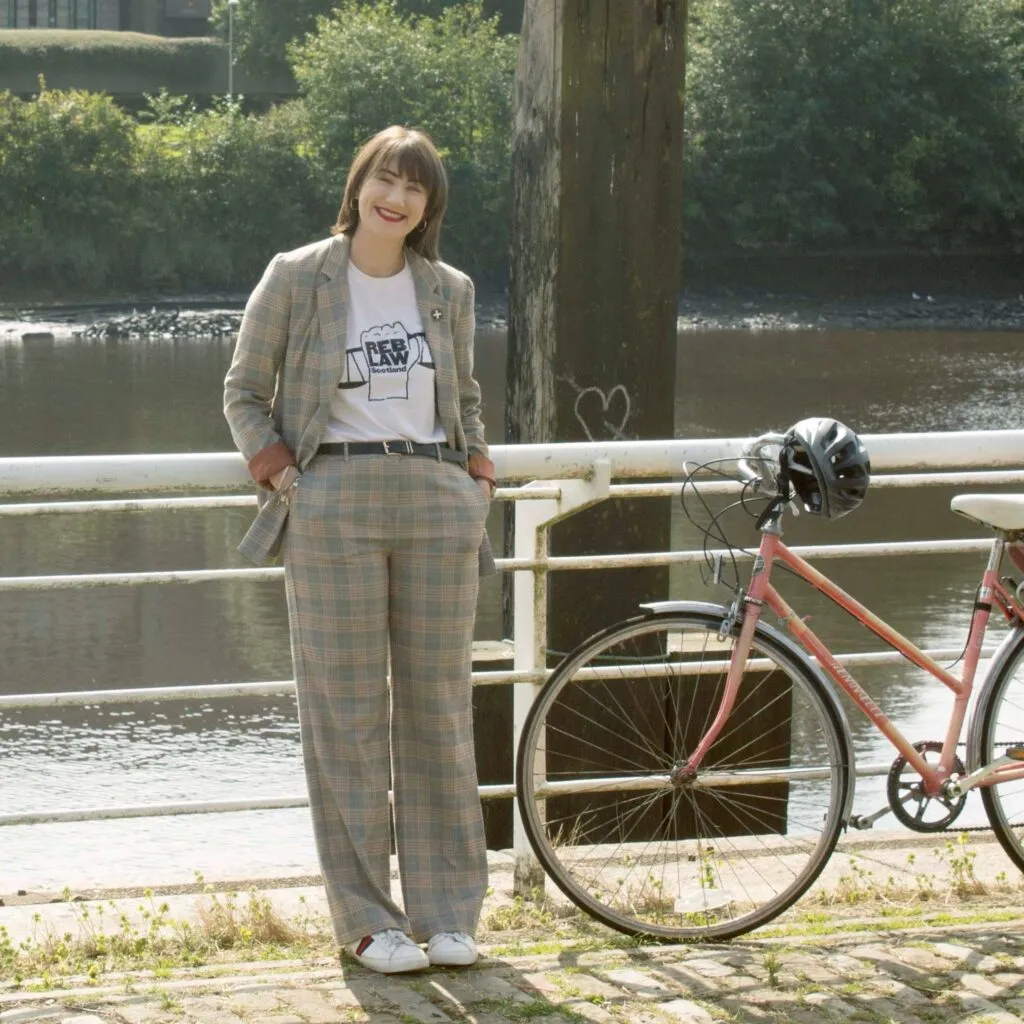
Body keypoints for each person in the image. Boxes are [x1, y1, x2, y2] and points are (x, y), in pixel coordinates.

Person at [223, 125, 497, 975]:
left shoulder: (447, 288)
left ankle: (448, 913)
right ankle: (367, 920)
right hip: (332, 501)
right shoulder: (298, 274)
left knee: (440, 715)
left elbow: (467, 392)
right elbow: (242, 388)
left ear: (429, 206)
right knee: (343, 718)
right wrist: (279, 473)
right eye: (387, 178)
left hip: (434, 499)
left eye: (416, 187)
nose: (399, 197)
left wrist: (476, 473)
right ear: (360, 185)